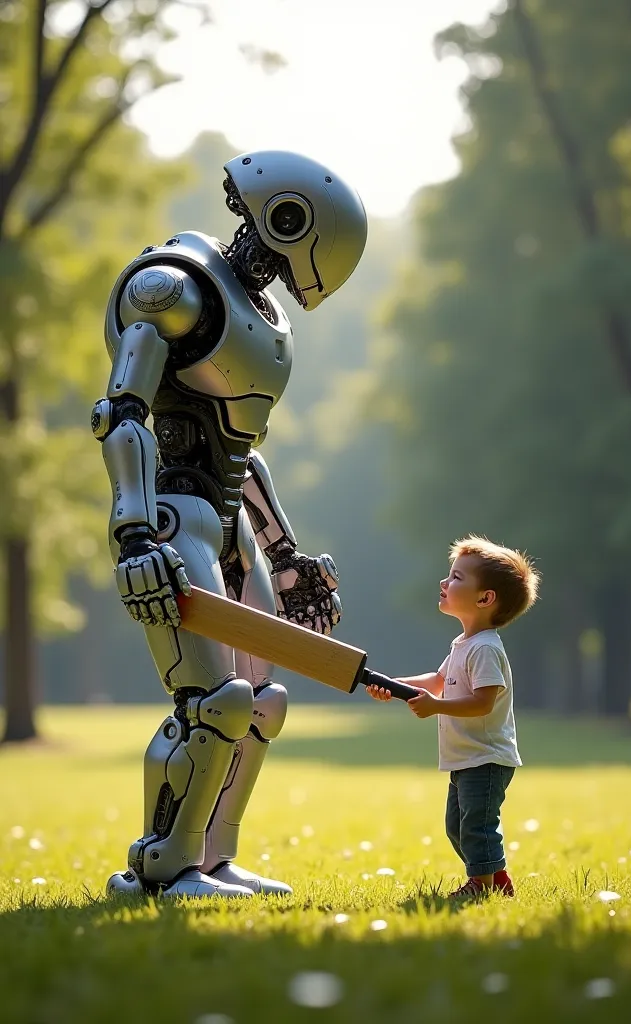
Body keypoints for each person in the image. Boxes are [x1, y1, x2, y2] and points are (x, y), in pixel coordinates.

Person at [93, 151, 367, 899]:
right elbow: (123, 414)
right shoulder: (174, 289)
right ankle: (162, 865)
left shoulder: (260, 320)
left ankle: (213, 858)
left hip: (227, 522)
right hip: (173, 512)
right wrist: (136, 534)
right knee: (212, 703)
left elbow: (241, 457)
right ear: (286, 218)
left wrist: (285, 556)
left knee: (259, 705)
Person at [367, 535, 540, 902]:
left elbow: (482, 702)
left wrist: (436, 706)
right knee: (457, 828)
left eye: (457, 577)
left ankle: (482, 886)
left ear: (485, 598)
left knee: (477, 826)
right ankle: (496, 878)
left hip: (487, 757)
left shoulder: (486, 649)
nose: (445, 583)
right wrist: (391, 685)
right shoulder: (463, 644)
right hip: (466, 756)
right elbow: (437, 681)